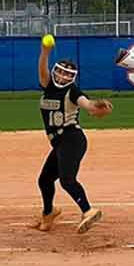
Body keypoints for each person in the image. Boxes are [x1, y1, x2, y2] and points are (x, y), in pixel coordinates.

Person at [28, 35, 112, 234]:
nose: (63, 77)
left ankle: (88, 211)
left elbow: (87, 104)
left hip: (72, 139)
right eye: (60, 72)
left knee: (67, 180)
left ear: (73, 77)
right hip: (59, 143)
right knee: (44, 180)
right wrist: (45, 51)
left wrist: (97, 107)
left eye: (68, 74)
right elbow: (42, 70)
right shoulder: (48, 85)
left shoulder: (73, 92)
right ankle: (49, 212)